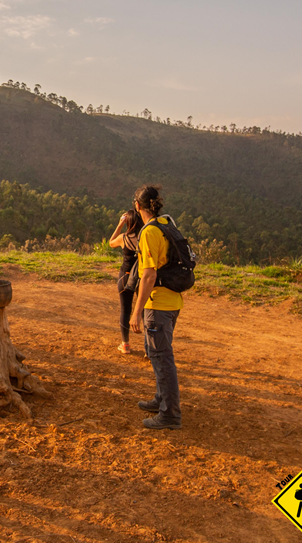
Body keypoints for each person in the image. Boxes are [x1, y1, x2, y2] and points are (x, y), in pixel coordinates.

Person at [129, 184, 183, 430]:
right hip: (171, 302)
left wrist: (137, 311)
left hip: (158, 304)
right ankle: (161, 399)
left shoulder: (150, 232)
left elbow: (149, 275)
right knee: (156, 354)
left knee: (161, 358)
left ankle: (170, 415)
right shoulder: (166, 225)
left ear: (137, 206)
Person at [109, 208, 144, 354]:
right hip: (142, 277)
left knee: (125, 310)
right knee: (145, 311)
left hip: (126, 276)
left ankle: (125, 344)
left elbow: (111, 243)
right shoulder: (145, 238)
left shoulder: (123, 237)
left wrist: (119, 225)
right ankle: (149, 347)